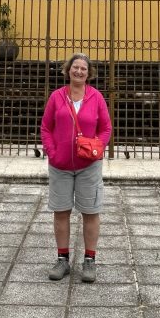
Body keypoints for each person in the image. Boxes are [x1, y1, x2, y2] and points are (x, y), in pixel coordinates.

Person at [40, 52, 112, 283]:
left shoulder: (96, 97)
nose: (79, 71)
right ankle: (62, 260)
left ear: (89, 73)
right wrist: (53, 152)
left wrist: (97, 147)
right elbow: (46, 127)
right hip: (60, 165)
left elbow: (106, 127)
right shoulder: (57, 97)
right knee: (61, 211)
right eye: (75, 67)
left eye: (83, 68)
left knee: (91, 212)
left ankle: (89, 261)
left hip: (88, 165)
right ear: (68, 70)